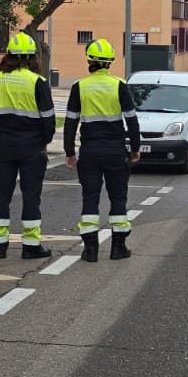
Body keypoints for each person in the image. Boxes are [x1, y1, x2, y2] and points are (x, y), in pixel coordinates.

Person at [64, 39, 141, 263]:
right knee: (118, 197)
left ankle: (90, 250)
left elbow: (70, 123)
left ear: (89, 60)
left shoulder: (80, 86)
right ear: (110, 62)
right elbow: (132, 121)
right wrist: (135, 148)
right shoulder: (119, 85)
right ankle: (118, 248)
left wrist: (70, 152)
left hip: (89, 151)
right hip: (116, 150)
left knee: (90, 197)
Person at [0, 32, 56, 259]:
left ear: (8, 55)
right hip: (32, 147)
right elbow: (49, 121)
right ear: (33, 57)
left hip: (4, 146)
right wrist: (42, 141)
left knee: (1, 194)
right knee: (31, 195)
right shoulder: (38, 82)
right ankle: (31, 246)